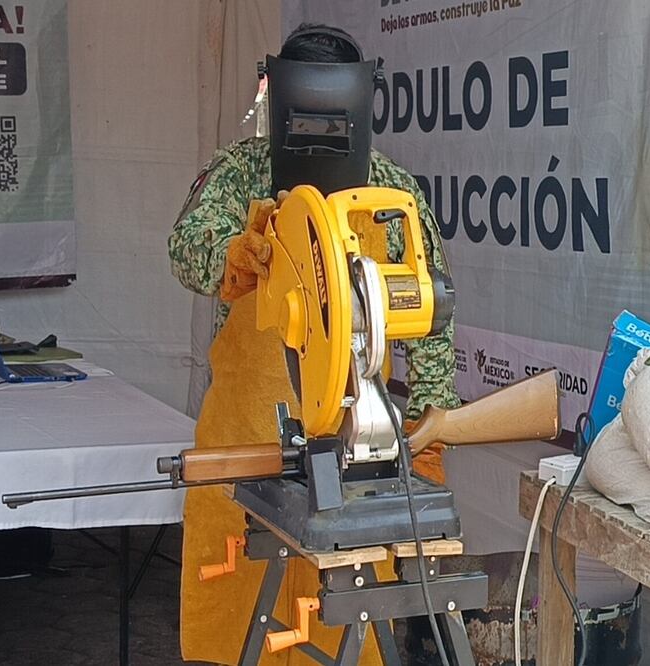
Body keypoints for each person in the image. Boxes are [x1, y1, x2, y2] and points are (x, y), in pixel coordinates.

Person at [168, 24, 459, 665]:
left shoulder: (390, 192)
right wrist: (236, 255)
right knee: (236, 612)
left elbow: (430, 310)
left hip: (355, 443)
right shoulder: (240, 171)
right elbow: (185, 252)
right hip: (246, 436)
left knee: (340, 617)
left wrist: (429, 425)